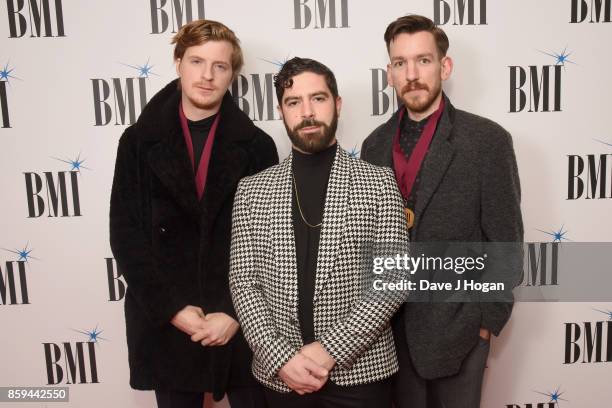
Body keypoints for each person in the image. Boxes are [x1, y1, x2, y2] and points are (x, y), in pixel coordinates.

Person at [109, 19, 278, 408]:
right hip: (165, 322)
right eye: (197, 61)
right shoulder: (137, 142)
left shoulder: (257, 146)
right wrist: (172, 310)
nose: (207, 76)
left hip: (241, 322)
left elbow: (271, 241)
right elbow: (126, 235)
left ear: (232, 74)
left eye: (220, 66)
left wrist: (234, 314)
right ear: (179, 62)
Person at [360, 15, 524, 408]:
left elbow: (506, 240)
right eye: (400, 63)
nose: (411, 74)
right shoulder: (373, 145)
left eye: (423, 60)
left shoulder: (487, 141)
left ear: (445, 66)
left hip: (459, 333)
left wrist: (485, 322)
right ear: (389, 74)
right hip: (386, 339)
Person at [229, 57, 408, 408]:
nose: (307, 112)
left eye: (319, 98)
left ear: (337, 104)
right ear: (281, 111)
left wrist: (330, 350)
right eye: (294, 102)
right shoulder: (251, 191)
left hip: (360, 375)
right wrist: (280, 357)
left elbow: (391, 281)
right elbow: (243, 283)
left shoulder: (379, 182)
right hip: (281, 378)